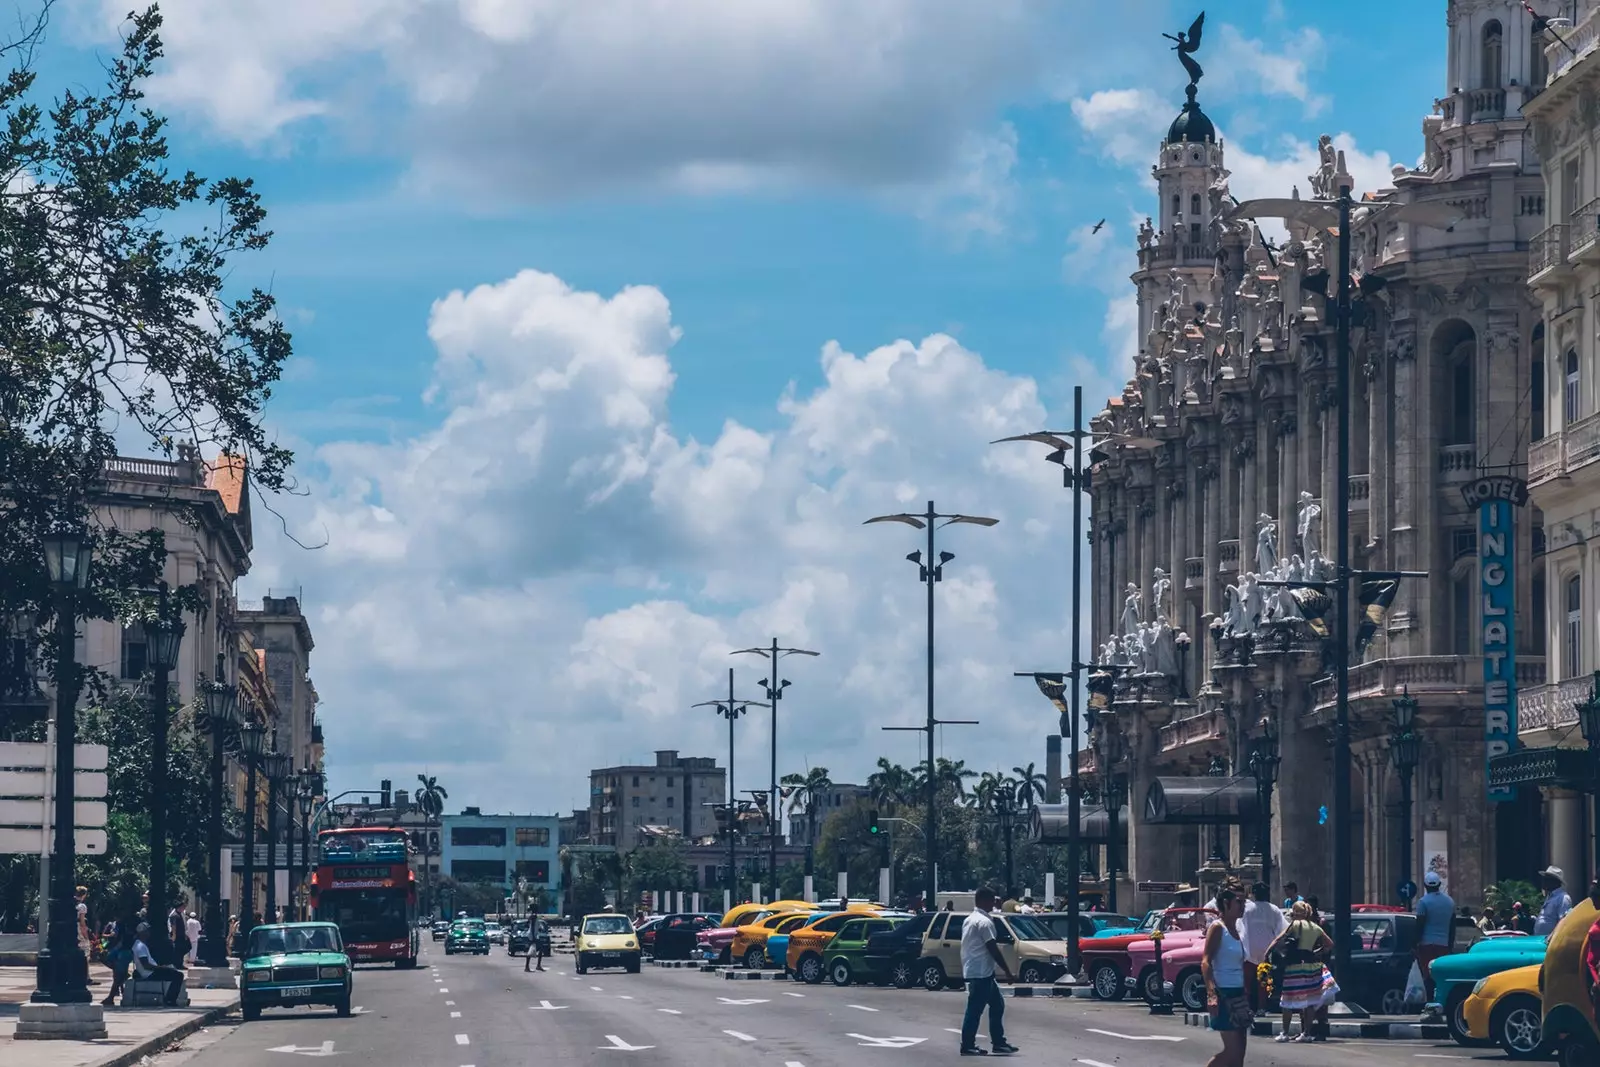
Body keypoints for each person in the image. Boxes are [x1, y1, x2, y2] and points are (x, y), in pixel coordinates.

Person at [958, 887, 1017, 1056]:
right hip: (981, 973)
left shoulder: (970, 919)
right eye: (992, 900)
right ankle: (968, 1045)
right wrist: (1007, 971)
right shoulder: (984, 922)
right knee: (975, 1009)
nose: (995, 903)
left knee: (997, 1004)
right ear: (983, 901)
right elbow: (992, 948)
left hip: (979, 971)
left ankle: (999, 1042)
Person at [1270, 901, 1337, 1043]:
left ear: (1296, 912)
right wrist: (1316, 951)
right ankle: (1306, 1033)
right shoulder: (1315, 927)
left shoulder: (1294, 925)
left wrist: (1266, 954)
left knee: (1287, 1000)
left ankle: (1285, 1033)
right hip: (1310, 966)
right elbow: (1330, 944)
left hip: (1294, 967)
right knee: (1310, 1001)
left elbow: (1278, 940)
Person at [1203, 887, 1252, 1067]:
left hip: (1239, 994)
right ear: (1226, 903)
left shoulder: (1237, 929)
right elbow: (1206, 961)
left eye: (1244, 902)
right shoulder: (1217, 927)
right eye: (1239, 901)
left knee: (1240, 1056)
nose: (1242, 906)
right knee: (1232, 1051)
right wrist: (1211, 994)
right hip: (1224, 994)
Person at [1240, 883, 1286, 1013]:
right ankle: (1261, 1007)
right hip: (1266, 952)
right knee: (1263, 982)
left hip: (1249, 951)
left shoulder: (1246, 909)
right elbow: (1283, 929)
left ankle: (1247, 1008)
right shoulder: (1274, 910)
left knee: (1247, 982)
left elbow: (1240, 929)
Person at [1413, 871, 1454, 1003]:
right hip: (1443, 945)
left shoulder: (1423, 902)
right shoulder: (1449, 902)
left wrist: (1414, 944)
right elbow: (1452, 926)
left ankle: (1430, 1004)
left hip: (1426, 944)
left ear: (1425, 886)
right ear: (1439, 884)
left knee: (1428, 976)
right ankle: (1441, 1002)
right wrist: (1450, 945)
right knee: (1441, 976)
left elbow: (1419, 925)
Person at [131, 923, 184, 1006]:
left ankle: (170, 999)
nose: (149, 933)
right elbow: (146, 965)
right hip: (149, 974)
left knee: (174, 972)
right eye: (147, 931)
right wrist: (162, 968)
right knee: (178, 976)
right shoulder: (140, 946)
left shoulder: (141, 945)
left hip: (151, 972)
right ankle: (170, 1000)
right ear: (143, 933)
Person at [103, 921, 133, 1007]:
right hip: (124, 951)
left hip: (123, 951)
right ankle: (115, 995)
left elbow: (121, 941)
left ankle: (111, 997)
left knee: (118, 975)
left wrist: (114, 951)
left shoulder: (122, 926)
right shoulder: (123, 925)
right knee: (119, 974)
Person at [1537, 866, 1574, 935]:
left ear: (1555, 881)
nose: (1544, 881)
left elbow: (1563, 922)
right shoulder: (1550, 896)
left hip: (1550, 942)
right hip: (1541, 940)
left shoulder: (1563, 898)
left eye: (1547, 879)